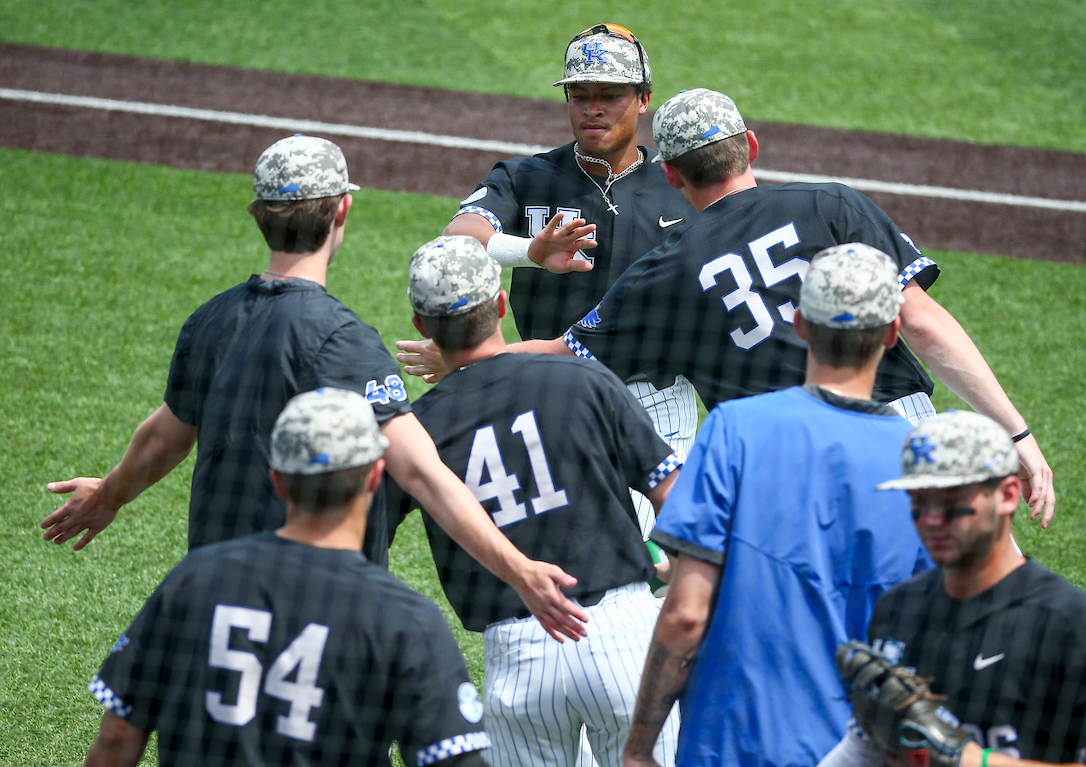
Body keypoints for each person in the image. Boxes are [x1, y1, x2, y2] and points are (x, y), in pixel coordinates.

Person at [402, 87, 1053, 522]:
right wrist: (1015, 431)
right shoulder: (831, 205)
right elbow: (924, 322)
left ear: (673, 174)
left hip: (791, 473)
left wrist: (466, 355)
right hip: (907, 440)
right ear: (752, 146)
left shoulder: (666, 272)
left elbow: (557, 353)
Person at [42, 134, 586, 640]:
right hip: (319, 608)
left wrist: (108, 495)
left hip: (217, 595)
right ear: (342, 210)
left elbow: (165, 437)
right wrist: (520, 570)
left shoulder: (210, 320)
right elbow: (420, 472)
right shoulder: (344, 344)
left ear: (258, 215)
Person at [620, 243, 935, 767]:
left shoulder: (736, 429)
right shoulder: (923, 466)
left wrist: (638, 748)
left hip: (733, 742)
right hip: (863, 748)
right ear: (891, 333)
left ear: (800, 324)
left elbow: (686, 614)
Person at [391, 236, 682, 767]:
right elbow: (676, 494)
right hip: (624, 638)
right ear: (501, 303)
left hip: (518, 658)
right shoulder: (582, 378)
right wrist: (672, 569)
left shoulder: (419, 428)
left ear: (422, 327)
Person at [84, 388, 491, 767]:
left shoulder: (194, 581)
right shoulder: (406, 621)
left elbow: (118, 735)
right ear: (373, 477)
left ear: (277, 479)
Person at [417, 23, 700, 538]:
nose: (593, 108)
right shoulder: (526, 177)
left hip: (654, 398)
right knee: (570, 548)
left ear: (643, 100)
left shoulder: (678, 183)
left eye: (610, 95)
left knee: (655, 549)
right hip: (548, 389)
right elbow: (456, 241)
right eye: (580, 95)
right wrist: (531, 252)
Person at [818, 411, 1086, 767]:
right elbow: (863, 749)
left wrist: (970, 759)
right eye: (920, 500)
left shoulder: (1073, 627)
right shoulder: (898, 610)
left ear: (1007, 495)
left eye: (950, 500)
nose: (931, 519)